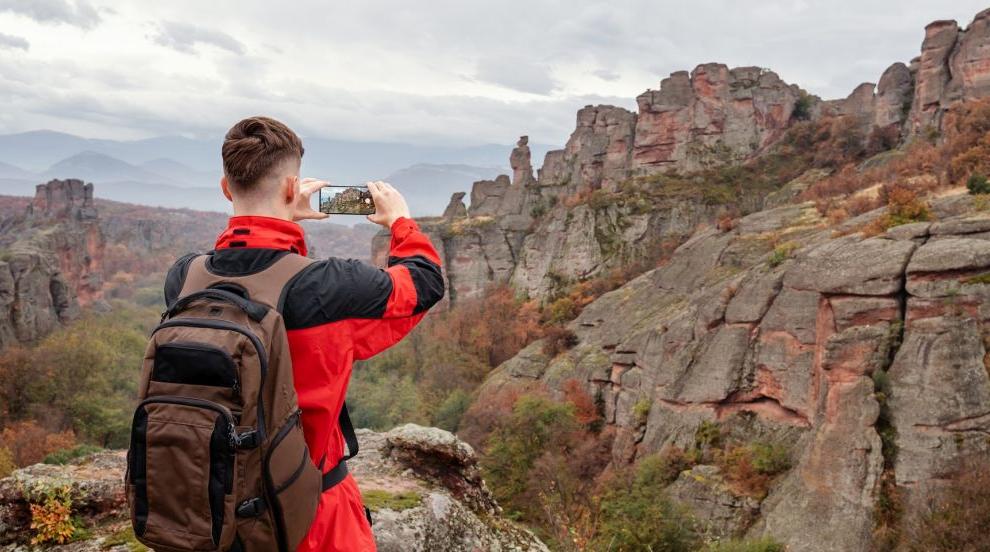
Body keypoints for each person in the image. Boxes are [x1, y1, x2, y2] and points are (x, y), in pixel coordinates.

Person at [163, 116, 445, 551]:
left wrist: (282, 212)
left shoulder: (184, 277)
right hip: (310, 514)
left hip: (209, 509)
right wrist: (400, 223)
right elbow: (423, 284)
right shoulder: (327, 287)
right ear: (293, 188)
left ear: (225, 188)